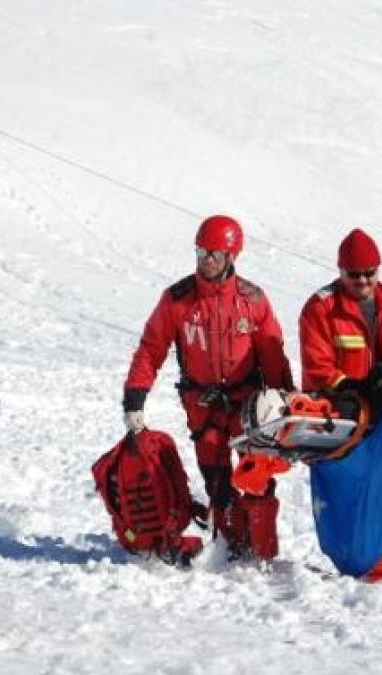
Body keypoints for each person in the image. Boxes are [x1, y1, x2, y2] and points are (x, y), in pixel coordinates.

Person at [122, 215, 295, 560]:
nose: (207, 260)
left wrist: (287, 397)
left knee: (257, 476)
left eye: (215, 253)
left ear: (232, 256)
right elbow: (151, 348)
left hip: (249, 404)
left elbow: (273, 353)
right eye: (201, 252)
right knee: (217, 481)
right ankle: (230, 550)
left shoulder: (253, 300)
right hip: (202, 404)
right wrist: (135, 396)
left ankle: (263, 555)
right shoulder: (177, 300)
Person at [298, 228, 382, 581]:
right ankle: (352, 564)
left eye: (369, 273)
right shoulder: (321, 308)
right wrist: (357, 389)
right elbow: (318, 367)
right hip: (343, 421)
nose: (362, 281)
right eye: (354, 274)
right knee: (346, 492)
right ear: (340, 271)